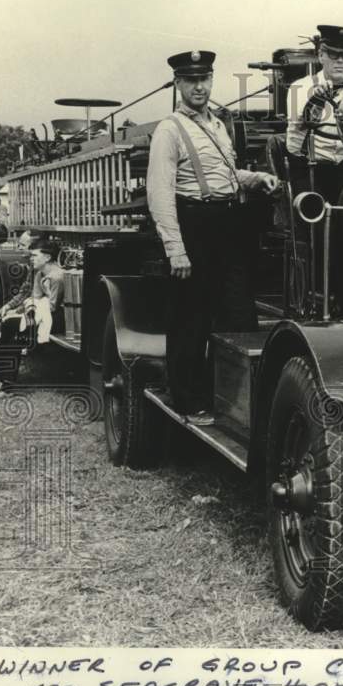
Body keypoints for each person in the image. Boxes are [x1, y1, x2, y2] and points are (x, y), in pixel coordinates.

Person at [146, 49, 278, 425]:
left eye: (204, 79)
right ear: (178, 84)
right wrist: (177, 251)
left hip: (226, 223)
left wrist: (255, 178)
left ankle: (237, 405)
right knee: (191, 318)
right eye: (191, 80)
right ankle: (188, 403)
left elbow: (226, 172)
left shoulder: (218, 124)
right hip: (193, 223)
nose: (199, 87)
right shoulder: (169, 129)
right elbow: (160, 193)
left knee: (239, 314)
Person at [285, 25, 343, 205]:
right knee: (313, 220)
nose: (340, 61)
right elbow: (306, 119)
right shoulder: (301, 88)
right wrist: (318, 99)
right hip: (307, 168)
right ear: (321, 56)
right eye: (333, 55)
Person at [0, 237, 66, 397]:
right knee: (8, 325)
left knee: (14, 333)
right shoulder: (39, 273)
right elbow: (33, 300)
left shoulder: (57, 277)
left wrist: (23, 313)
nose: (30, 258)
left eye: (34, 255)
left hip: (57, 319)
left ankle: (5, 385)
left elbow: (53, 307)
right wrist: (16, 311)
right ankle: (2, 382)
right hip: (42, 314)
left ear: (47, 257)